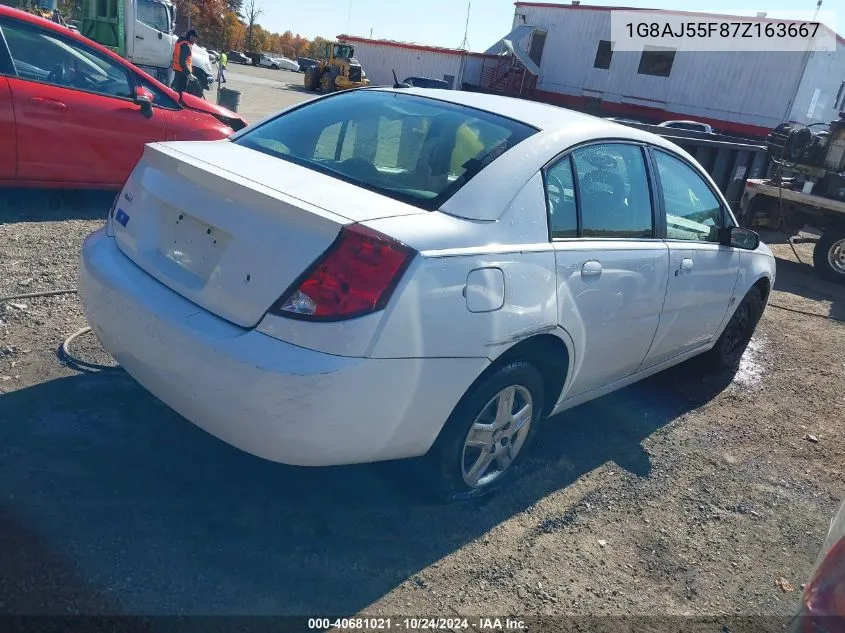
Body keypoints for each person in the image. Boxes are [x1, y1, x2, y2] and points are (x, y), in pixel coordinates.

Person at [171, 29, 198, 103]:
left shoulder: (180, 41)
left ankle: (174, 103)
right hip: (182, 71)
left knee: (175, 89)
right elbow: (182, 61)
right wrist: (189, 74)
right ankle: (178, 105)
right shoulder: (186, 45)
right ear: (191, 37)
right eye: (195, 39)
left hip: (178, 69)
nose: (195, 42)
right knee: (180, 91)